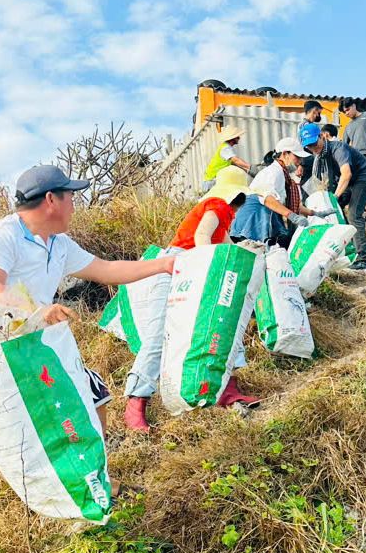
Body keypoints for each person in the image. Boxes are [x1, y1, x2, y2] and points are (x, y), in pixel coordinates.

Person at [0, 165, 177, 553]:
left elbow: (106, 270)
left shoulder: (57, 243)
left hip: (30, 355)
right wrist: (36, 309)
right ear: (51, 200)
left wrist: (161, 264)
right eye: (71, 195)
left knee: (96, 394)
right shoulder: (1, 236)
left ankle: (93, 479)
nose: (75, 203)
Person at [124, 166, 257, 432]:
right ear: (238, 196)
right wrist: (213, 267)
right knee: (160, 334)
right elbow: (201, 237)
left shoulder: (224, 214)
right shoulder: (218, 205)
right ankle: (135, 404)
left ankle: (226, 390)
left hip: (191, 265)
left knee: (224, 324)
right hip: (177, 267)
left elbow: (226, 245)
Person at [300, 123, 366, 275]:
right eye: (309, 147)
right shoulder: (320, 157)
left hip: (364, 176)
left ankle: (363, 260)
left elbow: (346, 174)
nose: (313, 149)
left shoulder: (337, 148)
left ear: (322, 136)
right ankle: (348, 252)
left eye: (315, 144)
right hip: (350, 181)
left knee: (354, 214)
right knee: (334, 212)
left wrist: (334, 197)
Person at [231, 137, 333, 248]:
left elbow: (286, 204)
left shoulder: (283, 175)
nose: (300, 161)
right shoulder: (274, 171)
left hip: (262, 216)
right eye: (297, 157)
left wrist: (315, 213)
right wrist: (292, 216)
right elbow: (268, 199)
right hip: (253, 219)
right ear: (285, 154)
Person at [203, 125, 250, 192]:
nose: (239, 138)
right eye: (237, 137)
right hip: (212, 181)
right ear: (233, 138)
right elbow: (235, 160)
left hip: (212, 180)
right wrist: (250, 166)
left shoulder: (226, 148)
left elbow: (234, 164)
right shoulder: (225, 148)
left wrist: (247, 171)